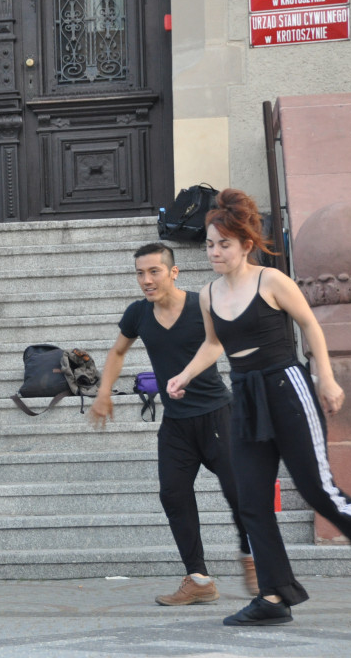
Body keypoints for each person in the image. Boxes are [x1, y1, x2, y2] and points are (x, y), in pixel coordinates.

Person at [166, 188, 351, 627]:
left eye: (224, 244)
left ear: (245, 244)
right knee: (251, 502)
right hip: (245, 396)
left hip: (287, 387)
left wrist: (328, 378)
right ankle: (275, 597)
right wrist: (184, 375)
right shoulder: (207, 295)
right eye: (210, 245)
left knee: (317, 488)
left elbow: (310, 325)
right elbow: (214, 343)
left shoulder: (272, 281)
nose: (215, 252)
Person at [90, 242, 254, 606]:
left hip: (216, 415)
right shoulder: (138, 314)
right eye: (139, 273)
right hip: (176, 424)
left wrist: (185, 375)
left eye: (153, 271)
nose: (145, 280)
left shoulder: (201, 304)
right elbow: (118, 351)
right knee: (173, 495)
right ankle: (198, 578)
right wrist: (104, 393)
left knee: (238, 493)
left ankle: (253, 555)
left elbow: (219, 345)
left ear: (173, 272)